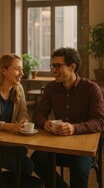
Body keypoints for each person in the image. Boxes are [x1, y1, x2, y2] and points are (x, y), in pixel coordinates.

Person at [32, 47, 104, 188]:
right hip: (57, 144)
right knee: (36, 160)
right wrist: (45, 122)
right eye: (53, 66)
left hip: (82, 147)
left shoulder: (91, 89)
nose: (54, 70)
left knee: (78, 168)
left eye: (58, 66)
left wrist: (74, 128)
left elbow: (100, 121)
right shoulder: (51, 88)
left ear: (72, 67)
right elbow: (38, 114)